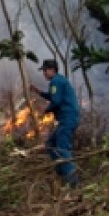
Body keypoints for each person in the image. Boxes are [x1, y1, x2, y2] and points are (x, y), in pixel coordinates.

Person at [30, 59, 81, 187]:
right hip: (67, 118)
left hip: (67, 119)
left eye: (45, 71)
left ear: (51, 70)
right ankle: (61, 173)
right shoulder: (59, 80)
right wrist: (39, 92)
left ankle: (72, 180)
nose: (44, 74)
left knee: (62, 148)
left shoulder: (55, 81)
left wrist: (45, 111)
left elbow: (56, 102)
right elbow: (54, 97)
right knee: (50, 144)